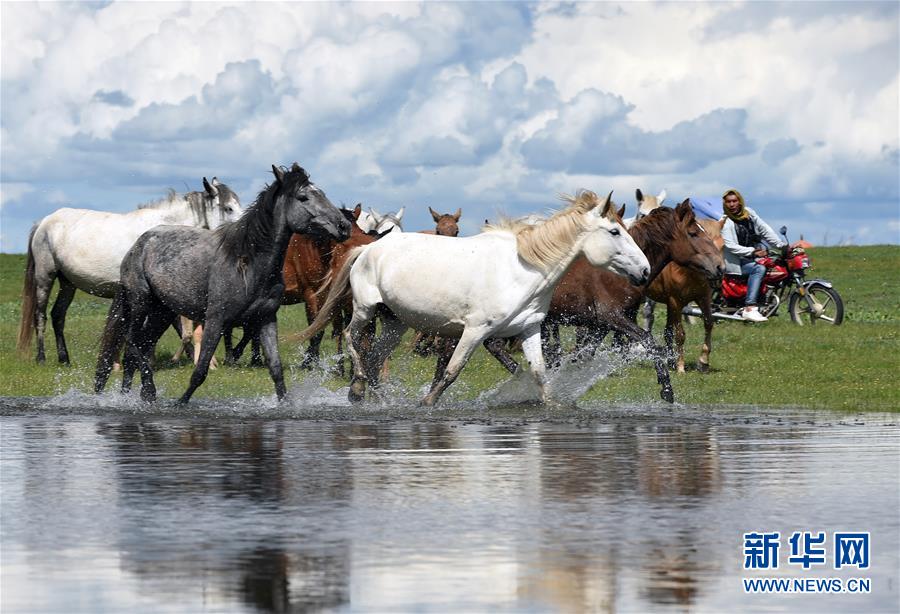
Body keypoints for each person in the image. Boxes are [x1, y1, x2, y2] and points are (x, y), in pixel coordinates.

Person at [720, 188, 785, 322]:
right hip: (736, 263)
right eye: (728, 202)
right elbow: (730, 246)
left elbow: (764, 229)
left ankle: (764, 300)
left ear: (740, 201)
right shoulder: (725, 222)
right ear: (725, 204)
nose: (732, 204)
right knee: (759, 268)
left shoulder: (749, 213)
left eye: (734, 201)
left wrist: (780, 244)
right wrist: (753, 251)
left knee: (774, 265)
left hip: (752, 258)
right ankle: (750, 307)